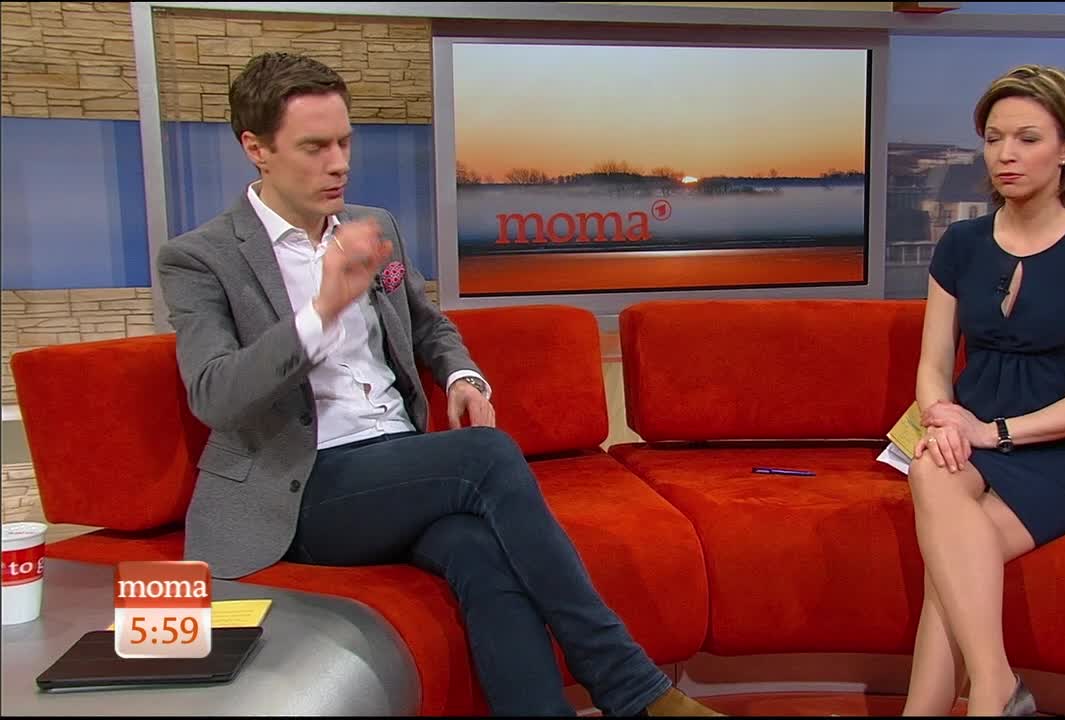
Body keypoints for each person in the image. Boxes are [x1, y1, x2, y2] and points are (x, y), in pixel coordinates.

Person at [156, 51, 720, 718]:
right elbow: (214, 393)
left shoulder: (373, 227)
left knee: (478, 552)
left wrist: (461, 375)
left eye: (344, 142)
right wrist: (322, 311)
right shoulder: (200, 257)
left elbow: (427, 323)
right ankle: (632, 689)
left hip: (394, 464)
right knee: (486, 455)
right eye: (314, 147)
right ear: (256, 149)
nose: (338, 163)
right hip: (299, 489)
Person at [902, 65, 1065, 717]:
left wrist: (993, 432)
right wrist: (941, 416)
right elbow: (933, 364)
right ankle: (997, 688)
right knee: (931, 473)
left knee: (952, 565)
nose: (1004, 155)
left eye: (1026, 138)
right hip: (977, 438)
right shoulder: (961, 243)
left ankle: (981, 695)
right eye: (993, 139)